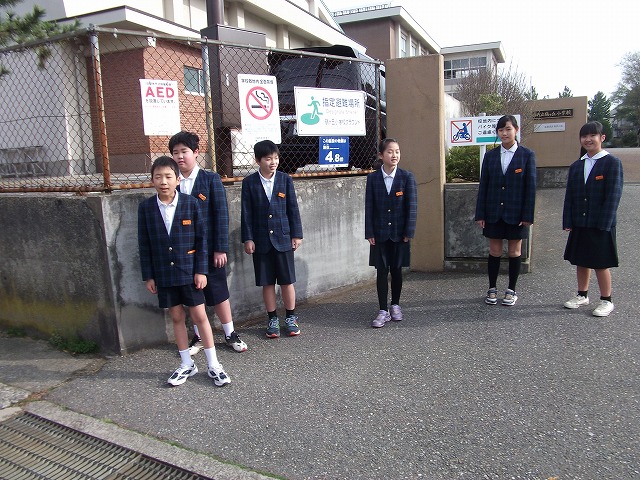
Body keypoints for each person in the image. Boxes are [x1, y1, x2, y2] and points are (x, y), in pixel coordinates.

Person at [138, 156, 230, 387]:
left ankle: (214, 364)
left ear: (177, 180)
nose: (163, 181)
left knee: (200, 316)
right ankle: (186, 363)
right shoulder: (146, 208)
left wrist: (201, 271)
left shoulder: (190, 203)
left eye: (168, 176)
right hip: (164, 274)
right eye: (158, 177)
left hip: (190, 272)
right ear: (152, 180)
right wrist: (149, 275)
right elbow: (144, 244)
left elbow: (201, 240)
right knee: (177, 317)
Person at [168, 131, 247, 355]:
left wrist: (220, 248)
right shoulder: (172, 182)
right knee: (193, 296)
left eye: (184, 151)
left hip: (210, 249)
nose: (180, 156)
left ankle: (230, 333)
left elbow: (221, 215)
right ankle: (200, 336)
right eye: (175, 153)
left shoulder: (210, 179)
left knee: (218, 291)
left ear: (196, 152)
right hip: (184, 253)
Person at [241, 140, 303, 338]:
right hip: (261, 241)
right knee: (267, 282)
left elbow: (293, 209)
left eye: (275, 158)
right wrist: (248, 238)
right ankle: (272, 318)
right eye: (268, 159)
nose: (273, 162)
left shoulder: (285, 179)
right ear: (258, 160)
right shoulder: (249, 183)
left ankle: (291, 317)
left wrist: (296, 234)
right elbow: (246, 213)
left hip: (283, 238)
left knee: (287, 280)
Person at [562, 121, 623, 317]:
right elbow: (570, 196)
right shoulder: (576, 166)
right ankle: (582, 295)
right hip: (580, 221)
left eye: (592, 135)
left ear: (602, 138)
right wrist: (568, 221)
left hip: (601, 223)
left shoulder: (611, 163)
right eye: (584, 136)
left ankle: (606, 300)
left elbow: (613, 196)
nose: (588, 139)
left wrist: (604, 224)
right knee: (581, 260)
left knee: (600, 262)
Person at [475, 115, 536, 306]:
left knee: (514, 252)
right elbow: (484, 186)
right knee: (494, 251)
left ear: (516, 130)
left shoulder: (527, 155)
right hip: (493, 211)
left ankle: (511, 290)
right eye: (501, 130)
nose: (504, 133)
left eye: (508, 129)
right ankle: (492, 288)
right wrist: (480, 213)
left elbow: (530, 187)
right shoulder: (490, 156)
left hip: (516, 213)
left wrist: (527, 215)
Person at [365, 138, 417, 328]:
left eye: (397, 151)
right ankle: (382, 310)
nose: (394, 155)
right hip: (379, 233)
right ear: (381, 155)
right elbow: (369, 207)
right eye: (389, 152)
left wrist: (408, 231)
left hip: (399, 233)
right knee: (381, 270)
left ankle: (395, 304)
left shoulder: (406, 177)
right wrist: (369, 232)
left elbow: (412, 207)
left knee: (396, 270)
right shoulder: (373, 178)